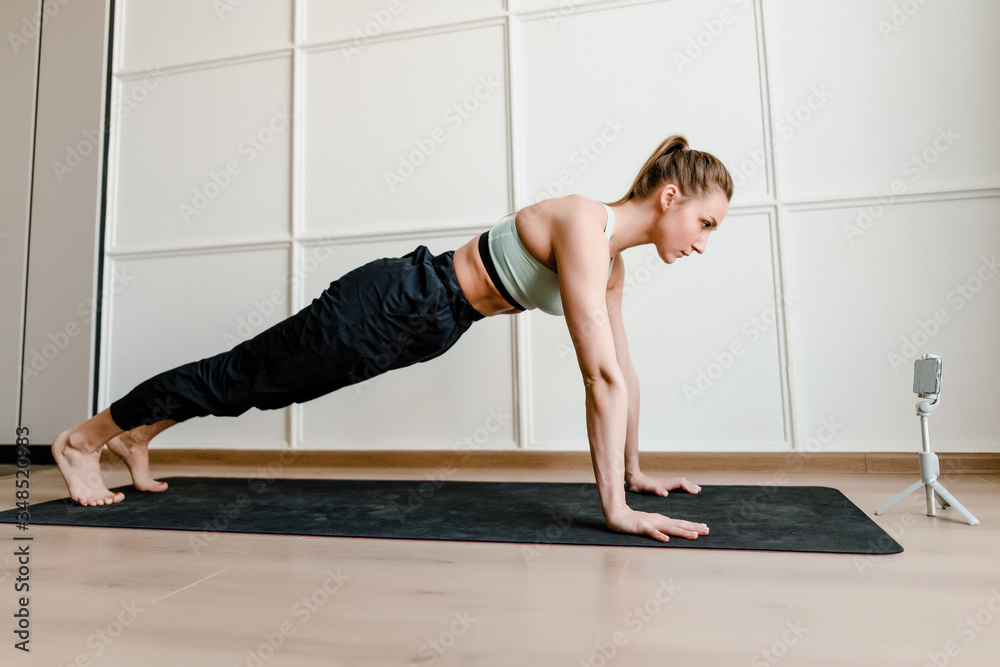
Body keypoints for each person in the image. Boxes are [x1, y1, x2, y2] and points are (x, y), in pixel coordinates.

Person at [52, 134, 732, 543]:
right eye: (706, 223)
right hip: (396, 298)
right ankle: (83, 440)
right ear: (671, 198)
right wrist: (614, 506)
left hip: (429, 327)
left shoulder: (610, 265)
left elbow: (625, 374)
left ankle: (138, 434)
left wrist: (634, 471)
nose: (705, 244)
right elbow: (599, 378)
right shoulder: (585, 224)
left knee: (253, 389)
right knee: (242, 374)